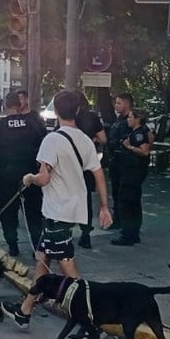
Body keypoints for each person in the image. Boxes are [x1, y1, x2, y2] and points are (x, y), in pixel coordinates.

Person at [1, 90, 112, 329]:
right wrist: (104, 206)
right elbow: (99, 174)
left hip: (57, 211)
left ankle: (92, 322)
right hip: (72, 209)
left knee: (71, 272)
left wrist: (29, 178)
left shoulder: (52, 140)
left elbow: (44, 178)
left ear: (57, 111)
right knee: (42, 260)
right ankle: (24, 311)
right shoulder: (84, 139)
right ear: (78, 111)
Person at [0, 91, 46, 256]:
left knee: (7, 211)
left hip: (7, 174)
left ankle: (12, 245)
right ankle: (36, 247)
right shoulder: (32, 123)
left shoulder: (0, 126)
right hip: (30, 175)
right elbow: (43, 144)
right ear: (19, 106)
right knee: (33, 212)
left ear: (6, 105)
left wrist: (1, 156)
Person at [111, 108, 152, 246]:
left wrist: (129, 147)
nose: (128, 119)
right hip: (133, 172)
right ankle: (134, 232)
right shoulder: (141, 131)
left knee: (126, 203)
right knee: (134, 203)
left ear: (137, 119)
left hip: (132, 173)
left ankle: (127, 234)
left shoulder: (139, 134)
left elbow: (144, 151)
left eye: (130, 117)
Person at [74, 92, 107, 249]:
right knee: (85, 198)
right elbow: (104, 139)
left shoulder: (68, 117)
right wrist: (92, 139)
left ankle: (62, 232)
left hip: (70, 163)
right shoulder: (92, 117)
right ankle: (85, 233)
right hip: (87, 163)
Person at [107, 92, 134, 229]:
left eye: (119, 103)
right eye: (116, 102)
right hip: (115, 162)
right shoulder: (119, 120)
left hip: (125, 163)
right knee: (116, 193)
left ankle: (125, 224)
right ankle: (117, 219)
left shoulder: (130, 121)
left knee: (124, 195)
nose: (116, 106)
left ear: (127, 104)